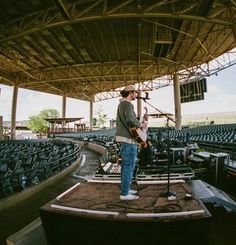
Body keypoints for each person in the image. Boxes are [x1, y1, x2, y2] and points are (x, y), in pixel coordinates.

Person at [115, 85, 148, 200]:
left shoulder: (122, 104)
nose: (136, 95)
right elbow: (130, 119)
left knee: (127, 166)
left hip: (126, 139)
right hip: (128, 140)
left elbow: (129, 120)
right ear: (131, 93)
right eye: (135, 93)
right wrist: (141, 125)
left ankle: (126, 189)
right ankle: (124, 194)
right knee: (128, 166)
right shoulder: (127, 104)